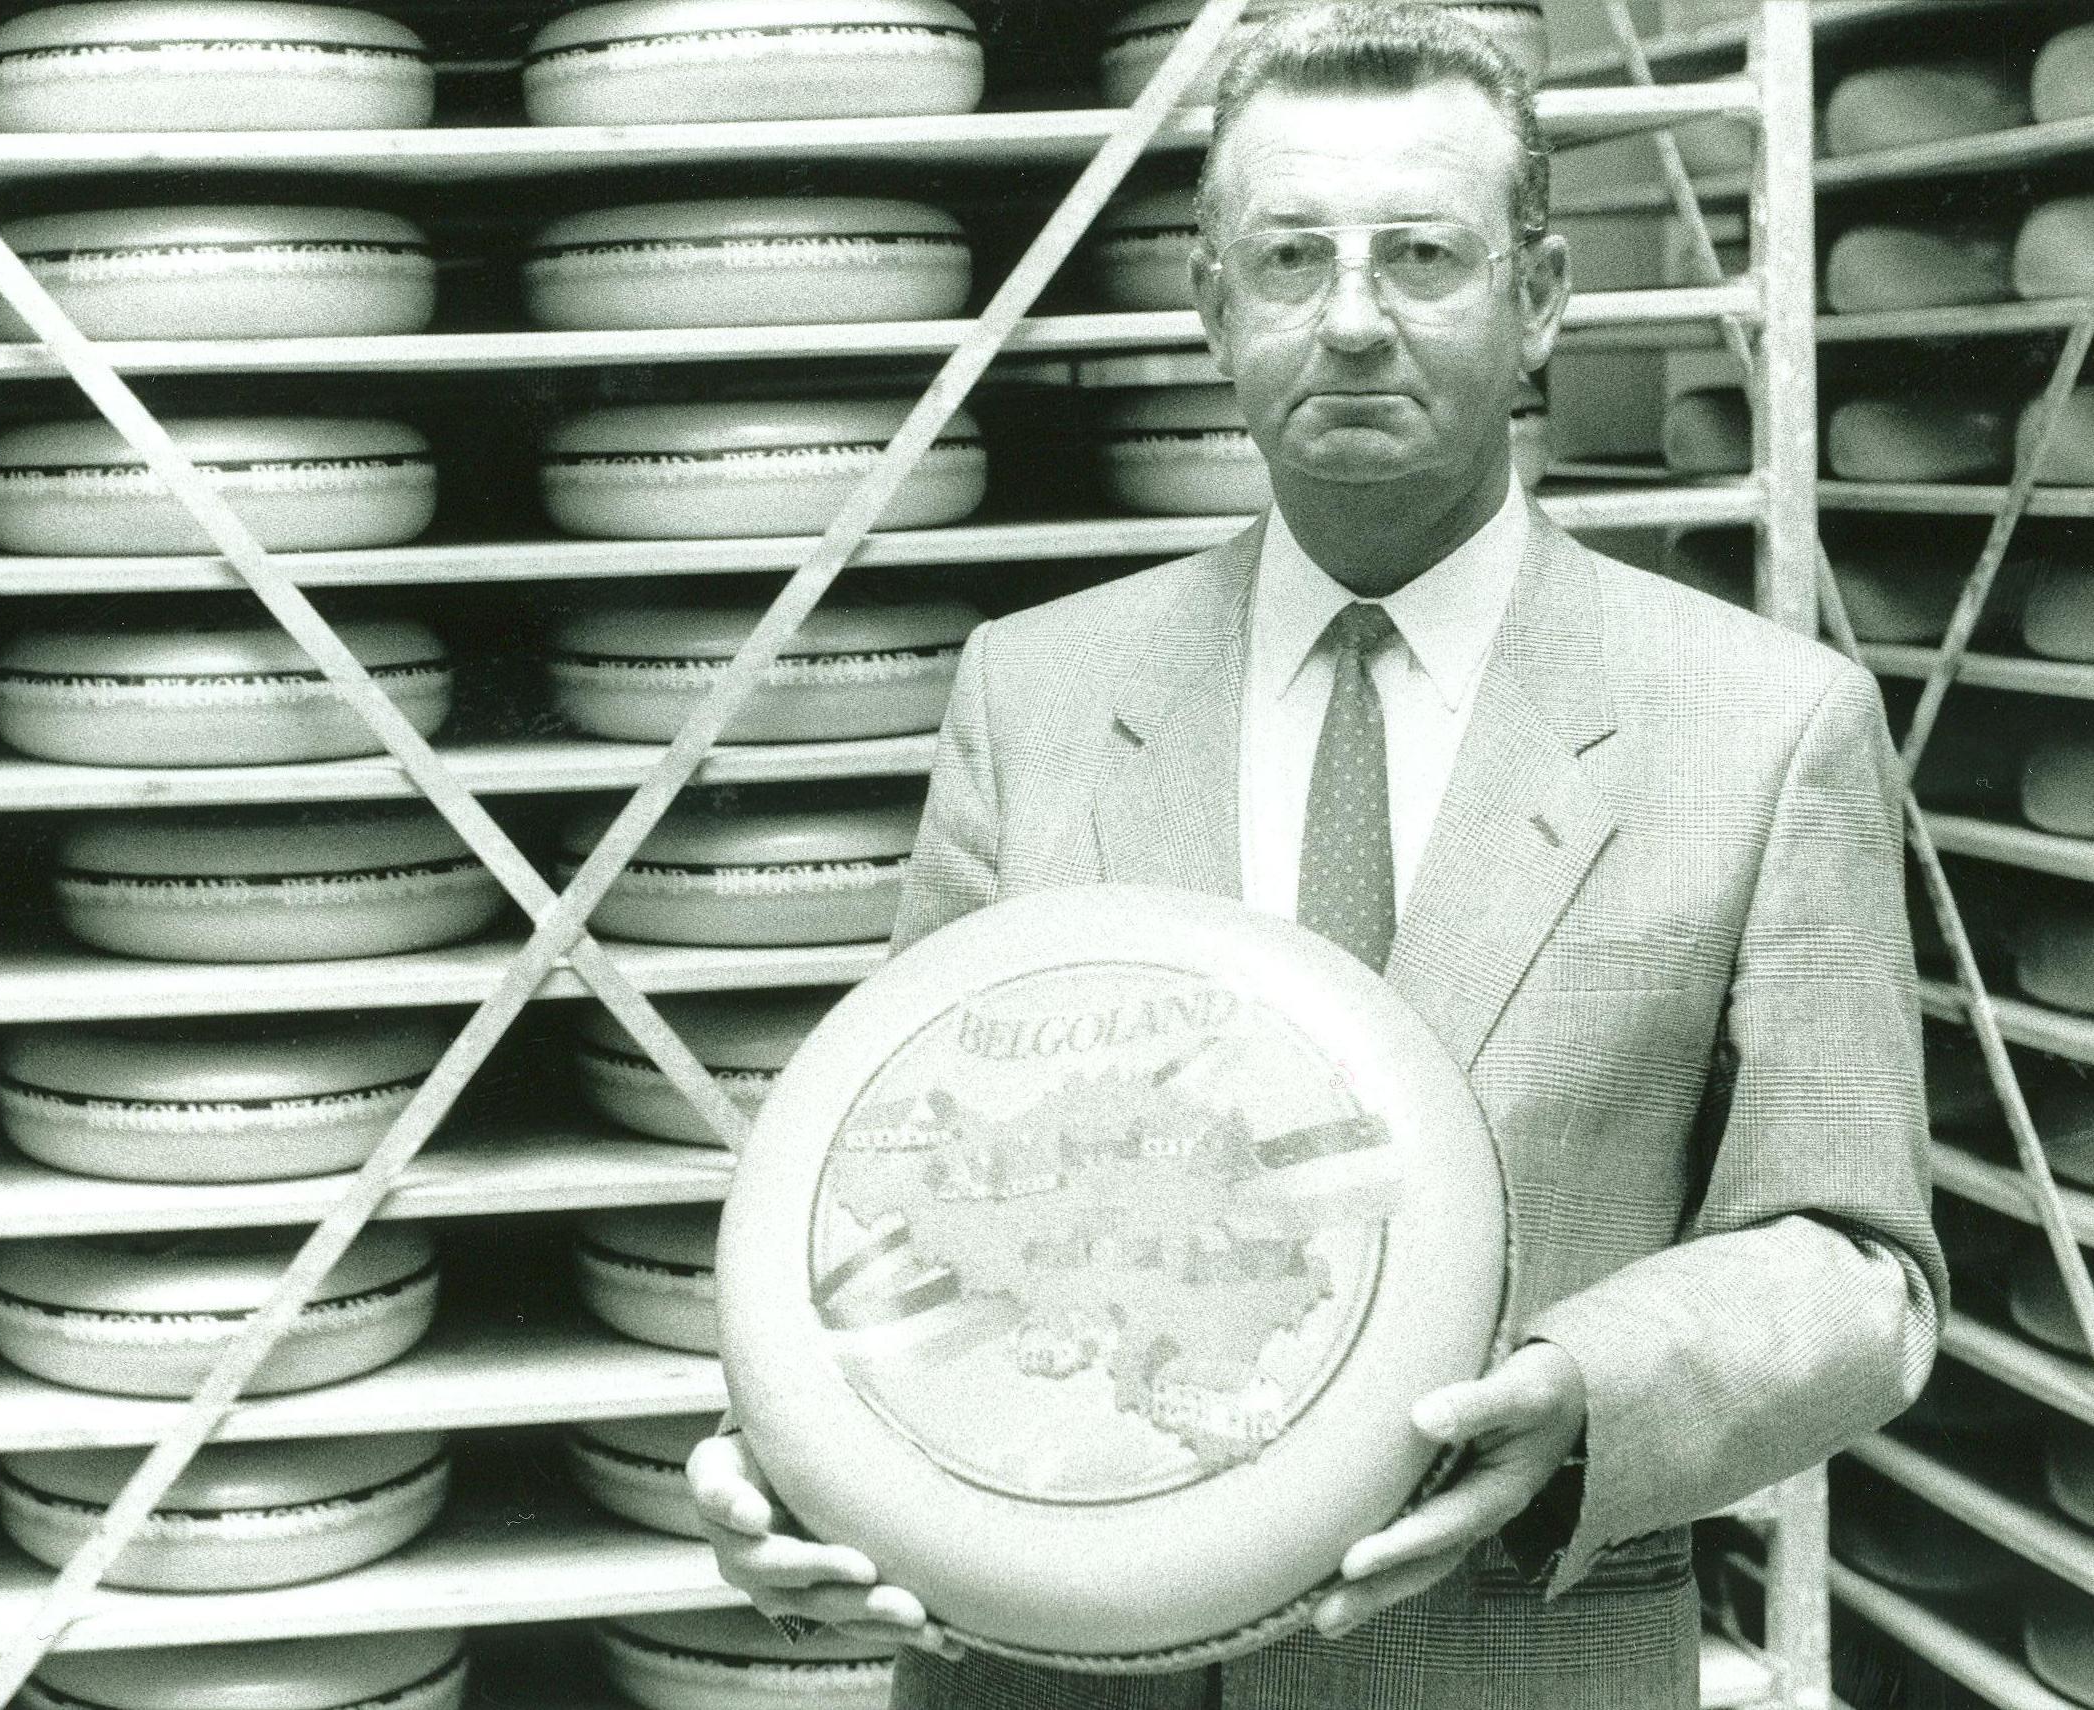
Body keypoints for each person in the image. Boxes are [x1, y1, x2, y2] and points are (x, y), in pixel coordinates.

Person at [687, 4, 1947, 1707]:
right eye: (1288, 258)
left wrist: (1588, 1383)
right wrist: (782, 1461)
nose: (1350, 321)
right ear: (1214, 309)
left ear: (1540, 299)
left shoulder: (1762, 721)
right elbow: (898, 1189)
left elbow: (1855, 1266)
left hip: (1506, 1656)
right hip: (1049, 1669)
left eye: (1422, 255)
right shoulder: (1036, 689)